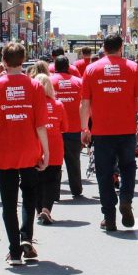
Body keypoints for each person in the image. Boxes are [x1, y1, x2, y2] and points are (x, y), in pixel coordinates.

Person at [0, 42, 49, 265]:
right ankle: (27, 237)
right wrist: (46, 152)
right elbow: (41, 125)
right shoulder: (35, 86)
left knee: (9, 202)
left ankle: (14, 251)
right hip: (30, 148)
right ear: (23, 60)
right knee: (29, 196)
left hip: (4, 150)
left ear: (3, 61)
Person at [80, 34, 138, 231]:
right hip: (126, 130)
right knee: (128, 167)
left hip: (101, 131)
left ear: (103, 47)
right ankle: (125, 198)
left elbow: (85, 103)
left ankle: (109, 216)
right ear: (121, 47)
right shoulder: (133, 68)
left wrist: (84, 128)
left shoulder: (92, 69)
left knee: (104, 173)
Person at [35, 74, 68, 224]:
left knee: (36, 180)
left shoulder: (32, 105)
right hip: (54, 145)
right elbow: (65, 127)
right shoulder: (58, 104)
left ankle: (38, 210)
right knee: (52, 179)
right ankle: (46, 209)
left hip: (36, 145)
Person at [51, 55, 84, 197]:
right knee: (74, 160)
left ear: (55, 66)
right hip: (74, 127)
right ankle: (76, 189)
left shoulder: (49, 82)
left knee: (54, 162)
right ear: (69, 67)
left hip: (54, 127)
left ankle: (54, 192)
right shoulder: (78, 82)